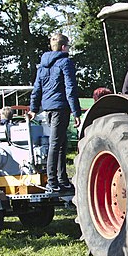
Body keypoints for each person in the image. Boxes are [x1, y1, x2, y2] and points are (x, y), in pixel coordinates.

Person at [29, 33, 81, 192]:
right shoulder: (65, 62)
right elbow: (70, 88)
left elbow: (37, 89)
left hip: (48, 108)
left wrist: (33, 109)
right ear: (64, 47)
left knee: (61, 142)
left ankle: (62, 178)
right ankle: (52, 181)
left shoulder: (43, 66)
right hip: (60, 107)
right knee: (56, 143)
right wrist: (76, 112)